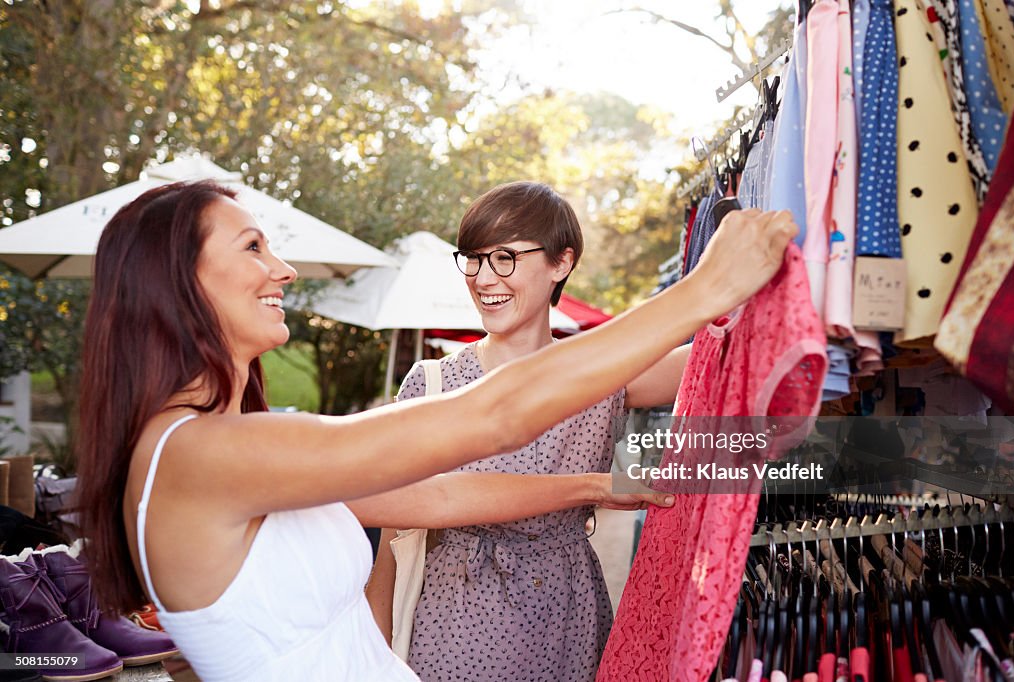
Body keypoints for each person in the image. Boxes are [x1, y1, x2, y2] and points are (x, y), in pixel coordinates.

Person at [74, 180, 796, 681]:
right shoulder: (205, 455)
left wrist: (595, 484)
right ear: (182, 279)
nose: (285, 270)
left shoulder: (236, 450)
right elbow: (493, 417)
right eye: (255, 248)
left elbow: (444, 498)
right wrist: (702, 291)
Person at [366, 181, 697, 682]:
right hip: (454, 622)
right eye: (473, 258)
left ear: (561, 264)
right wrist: (372, 657)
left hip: (567, 614)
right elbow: (394, 537)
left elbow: (719, 364)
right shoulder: (431, 382)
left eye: (505, 257)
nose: (483, 277)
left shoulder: (599, 374)